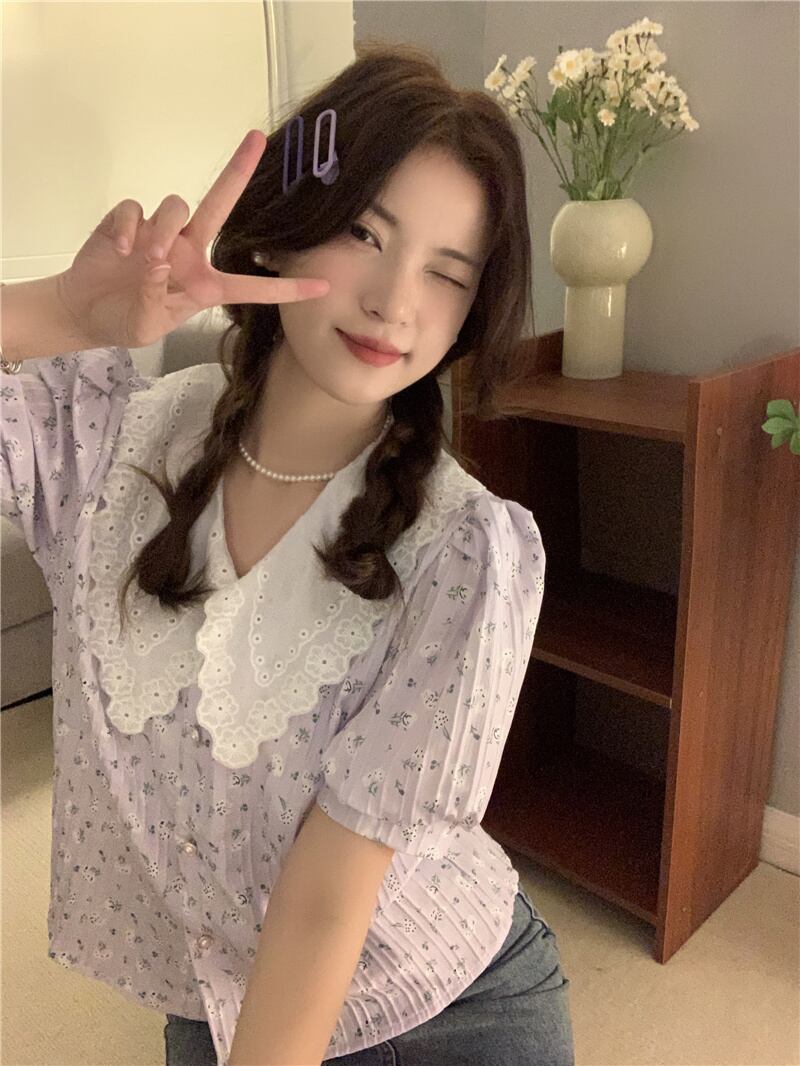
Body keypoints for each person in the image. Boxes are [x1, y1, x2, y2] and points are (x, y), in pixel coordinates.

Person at [0, 39, 574, 1066]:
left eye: (446, 274)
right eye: (364, 232)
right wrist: (58, 313)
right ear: (283, 230)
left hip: (455, 1006)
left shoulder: (463, 552)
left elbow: (324, 901)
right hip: (217, 1006)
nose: (395, 302)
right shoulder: (103, 442)